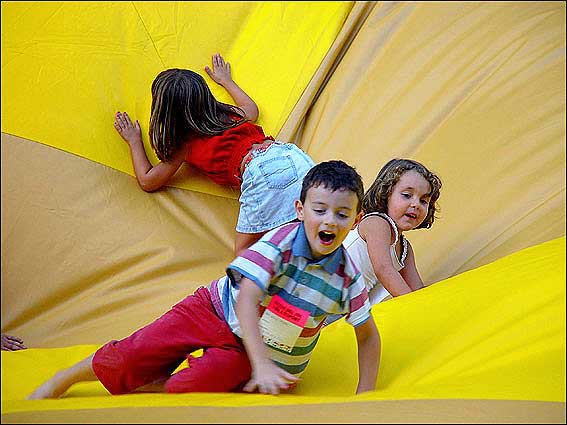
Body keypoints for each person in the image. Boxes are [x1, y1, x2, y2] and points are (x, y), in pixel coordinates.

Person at [28, 160, 380, 399]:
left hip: (249, 348)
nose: (330, 221)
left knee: (185, 390)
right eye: (320, 210)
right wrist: (261, 365)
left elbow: (368, 337)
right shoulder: (281, 244)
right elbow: (245, 299)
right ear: (300, 210)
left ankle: (159, 379)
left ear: (356, 218)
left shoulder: (345, 279)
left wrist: (364, 396)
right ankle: (67, 377)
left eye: (342, 214)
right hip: (212, 310)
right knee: (136, 354)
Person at [113, 53, 315, 257]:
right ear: (205, 96)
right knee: (310, 212)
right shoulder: (225, 115)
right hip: (288, 154)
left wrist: (134, 141)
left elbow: (148, 181)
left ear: (165, 112)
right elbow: (251, 111)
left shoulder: (184, 145)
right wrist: (227, 82)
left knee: (245, 257)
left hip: (260, 172)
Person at [329, 159, 442, 324]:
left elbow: (416, 290)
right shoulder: (377, 223)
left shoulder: (405, 249)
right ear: (386, 194)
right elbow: (383, 269)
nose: (415, 204)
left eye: (424, 200)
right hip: (327, 302)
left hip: (348, 311)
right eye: (406, 195)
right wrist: (416, 309)